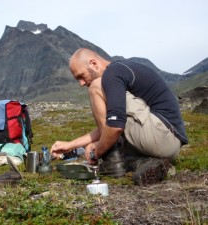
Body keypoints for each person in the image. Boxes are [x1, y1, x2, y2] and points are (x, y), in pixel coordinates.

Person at [51, 48, 188, 185]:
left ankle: (112, 163)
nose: (81, 83)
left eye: (81, 76)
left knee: (96, 86)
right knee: (111, 130)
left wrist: (96, 152)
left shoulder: (112, 74)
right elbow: (109, 125)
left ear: (93, 64)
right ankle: (146, 162)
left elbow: (115, 127)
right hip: (167, 141)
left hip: (161, 135)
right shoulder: (121, 70)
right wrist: (71, 145)